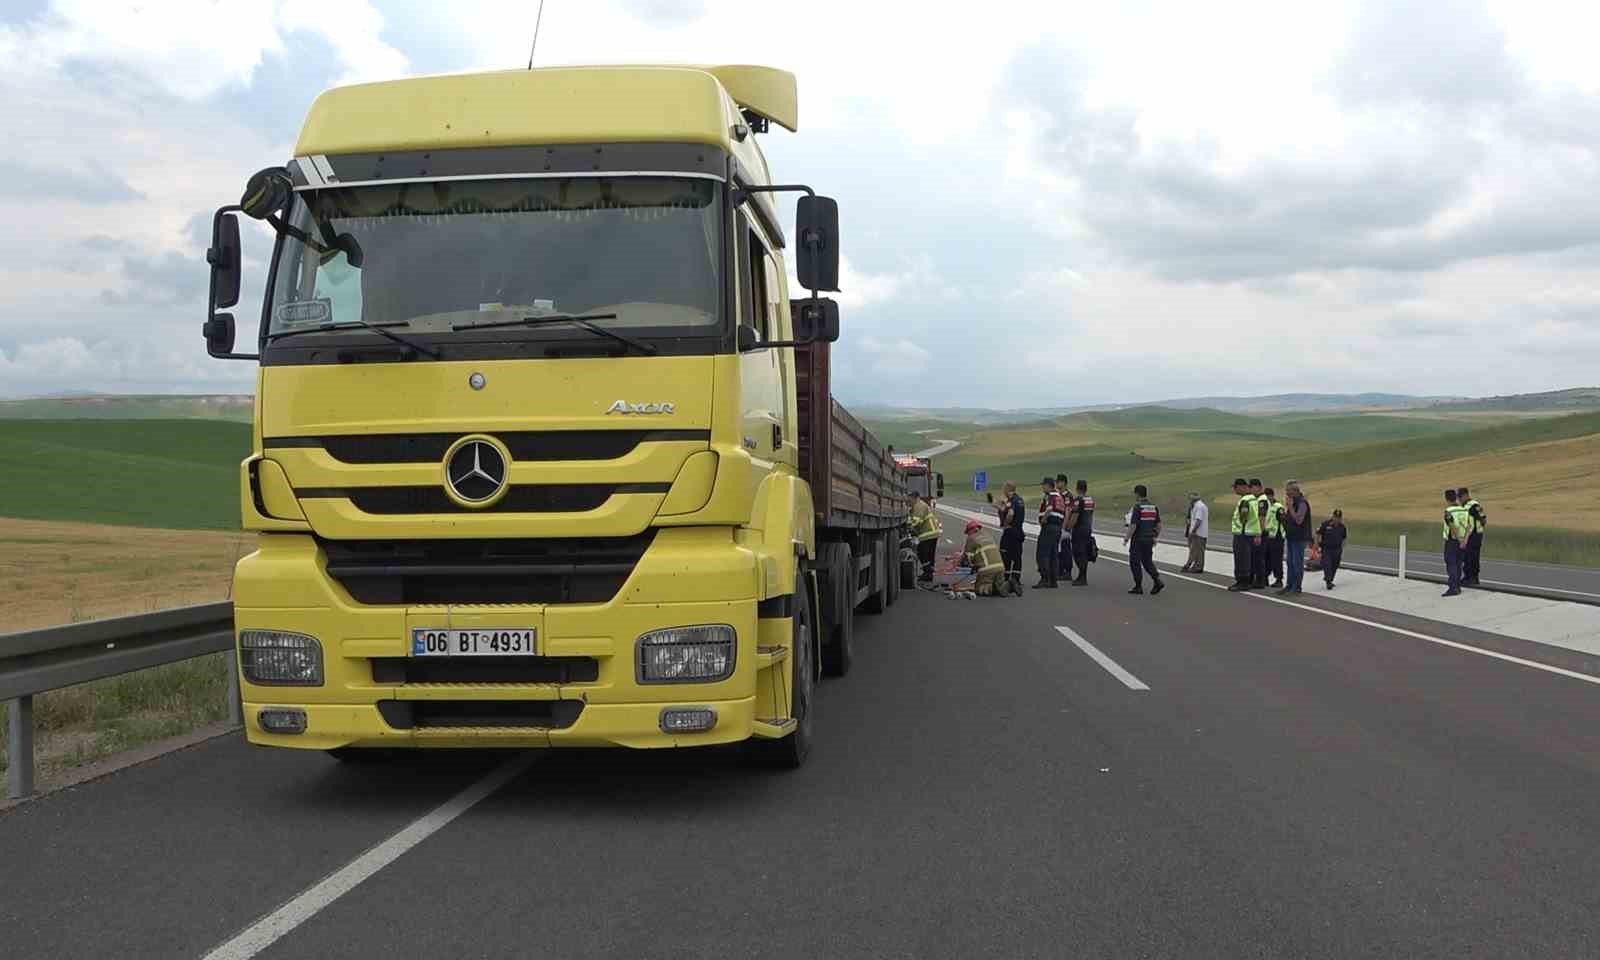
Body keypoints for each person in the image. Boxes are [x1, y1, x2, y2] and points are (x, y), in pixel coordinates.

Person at [1122, 484, 1165, 595]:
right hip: (1149, 539)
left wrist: (1127, 538)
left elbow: (1133, 526)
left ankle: (1138, 586)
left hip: (1138, 539)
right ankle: (1157, 580)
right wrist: (1155, 536)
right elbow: (1159, 525)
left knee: (1134, 562)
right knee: (1147, 561)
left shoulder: (1138, 507)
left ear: (1137, 494)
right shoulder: (1153, 507)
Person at [961, 519, 1015, 597]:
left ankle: (998, 588)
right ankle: (1007, 586)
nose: (968, 535)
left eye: (968, 532)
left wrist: (967, 564)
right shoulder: (988, 535)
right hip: (1000, 567)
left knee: (980, 589)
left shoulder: (971, 539)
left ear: (971, 530)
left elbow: (968, 558)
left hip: (987, 570)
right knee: (1000, 585)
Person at [1228, 478, 1260, 592]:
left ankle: (1242, 581)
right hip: (1250, 532)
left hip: (1242, 533)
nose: (1235, 490)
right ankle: (1246, 580)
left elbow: (1244, 516)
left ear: (1241, 487)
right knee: (1247, 558)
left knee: (1241, 558)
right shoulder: (1253, 499)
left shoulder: (1245, 500)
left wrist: (1241, 523)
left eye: (1235, 488)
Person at [1281, 480, 1312, 595]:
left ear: (1295, 491)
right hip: (1291, 536)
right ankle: (1289, 585)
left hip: (1299, 538)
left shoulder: (1302, 503)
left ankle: (1297, 587)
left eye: (1288, 490)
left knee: (1297, 563)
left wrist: (1290, 507)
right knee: (1289, 562)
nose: (1286, 493)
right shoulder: (1293, 502)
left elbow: (1299, 520)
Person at [1034, 477, 1066, 588]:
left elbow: (1049, 509)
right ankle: (1053, 580)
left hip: (1049, 527)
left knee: (1043, 553)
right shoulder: (1060, 497)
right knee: (1054, 554)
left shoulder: (1050, 496)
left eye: (1043, 485)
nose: (1042, 487)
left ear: (1049, 486)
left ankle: (1045, 578)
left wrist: (1043, 519)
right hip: (1058, 528)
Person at [1442, 488, 1473, 597]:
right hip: (1463, 542)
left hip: (1452, 541)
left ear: (1446, 499)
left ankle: (1453, 587)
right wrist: (1465, 540)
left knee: (1451, 563)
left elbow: (1452, 525)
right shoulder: (1464, 510)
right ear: (1456, 497)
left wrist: (1459, 539)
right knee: (1459, 563)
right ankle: (1458, 586)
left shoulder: (1448, 511)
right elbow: (1469, 526)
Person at [997, 480, 1026, 592]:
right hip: (1019, 531)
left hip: (1010, 531)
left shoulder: (1012, 501)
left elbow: (1010, 514)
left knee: (1005, 555)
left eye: (1004, 488)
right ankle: (1016, 579)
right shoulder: (1020, 500)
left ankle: (1006, 579)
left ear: (1008, 489)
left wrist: (1005, 524)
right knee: (1017, 556)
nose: (1003, 491)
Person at [1069, 479, 1096, 586]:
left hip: (1079, 529)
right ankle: (1082, 576)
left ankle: (1082, 576)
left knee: (1078, 553)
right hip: (1087, 528)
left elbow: (1075, 515)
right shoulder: (1090, 500)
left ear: (1077, 488)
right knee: (1084, 552)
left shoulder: (1078, 500)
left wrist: (1068, 527)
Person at [908, 492, 940, 583]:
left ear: (914, 498)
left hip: (928, 534)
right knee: (929, 555)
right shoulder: (918, 505)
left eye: (909, 499)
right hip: (931, 533)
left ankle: (928, 573)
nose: (908, 501)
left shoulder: (919, 506)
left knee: (923, 553)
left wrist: (908, 527)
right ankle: (929, 574)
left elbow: (916, 520)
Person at [1458, 487, 1486, 587]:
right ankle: (1467, 577)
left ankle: (1473, 578)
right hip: (1469, 535)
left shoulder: (1473, 505)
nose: (1459, 499)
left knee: (1472, 557)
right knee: (1466, 557)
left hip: (1474, 536)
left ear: (1465, 495)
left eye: (1460, 497)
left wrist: (1476, 529)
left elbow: (1483, 519)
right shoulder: (1465, 506)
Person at [1315, 509, 1347, 589]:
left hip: (1337, 549)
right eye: (1335, 517)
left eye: (1339, 518)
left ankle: (1330, 579)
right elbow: (1318, 533)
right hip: (1327, 549)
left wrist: (1341, 549)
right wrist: (1316, 544)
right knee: (1327, 564)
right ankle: (1328, 581)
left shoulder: (1342, 527)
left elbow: (1344, 538)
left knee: (1335, 565)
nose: (1337, 519)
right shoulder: (1325, 524)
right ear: (1333, 516)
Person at [1263, 486, 1285, 588]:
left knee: (1276, 559)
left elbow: (1283, 521)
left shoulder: (1278, 507)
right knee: (1266, 558)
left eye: (1267, 497)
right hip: (1268, 536)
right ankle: (1265, 577)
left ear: (1271, 496)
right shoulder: (1266, 506)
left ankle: (1279, 579)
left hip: (1277, 537)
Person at [1247, 479, 1268, 587]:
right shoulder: (1257, 499)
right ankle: (1255, 579)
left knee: (1258, 558)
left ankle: (1260, 581)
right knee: (1254, 557)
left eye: (1252, 487)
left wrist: (1259, 533)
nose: (1250, 490)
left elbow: (1262, 518)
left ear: (1259, 487)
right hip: (1257, 531)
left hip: (1260, 532)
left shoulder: (1262, 500)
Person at [1055, 473, 1075, 584]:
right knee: (1059, 549)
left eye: (1058, 482)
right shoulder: (1059, 495)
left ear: (1063, 483)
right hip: (1059, 525)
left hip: (1065, 526)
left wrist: (1064, 527)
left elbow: (1068, 512)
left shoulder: (1067, 496)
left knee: (1065, 549)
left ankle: (1067, 571)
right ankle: (1060, 570)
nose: (1057, 484)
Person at [1182, 492, 1208, 573]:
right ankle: (1195, 565)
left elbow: (1198, 520)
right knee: (1196, 550)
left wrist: (1193, 531)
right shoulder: (1198, 506)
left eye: (1190, 499)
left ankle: (1198, 567)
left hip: (1198, 533)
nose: (1189, 501)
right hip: (1199, 532)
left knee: (1198, 551)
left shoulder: (1199, 506)